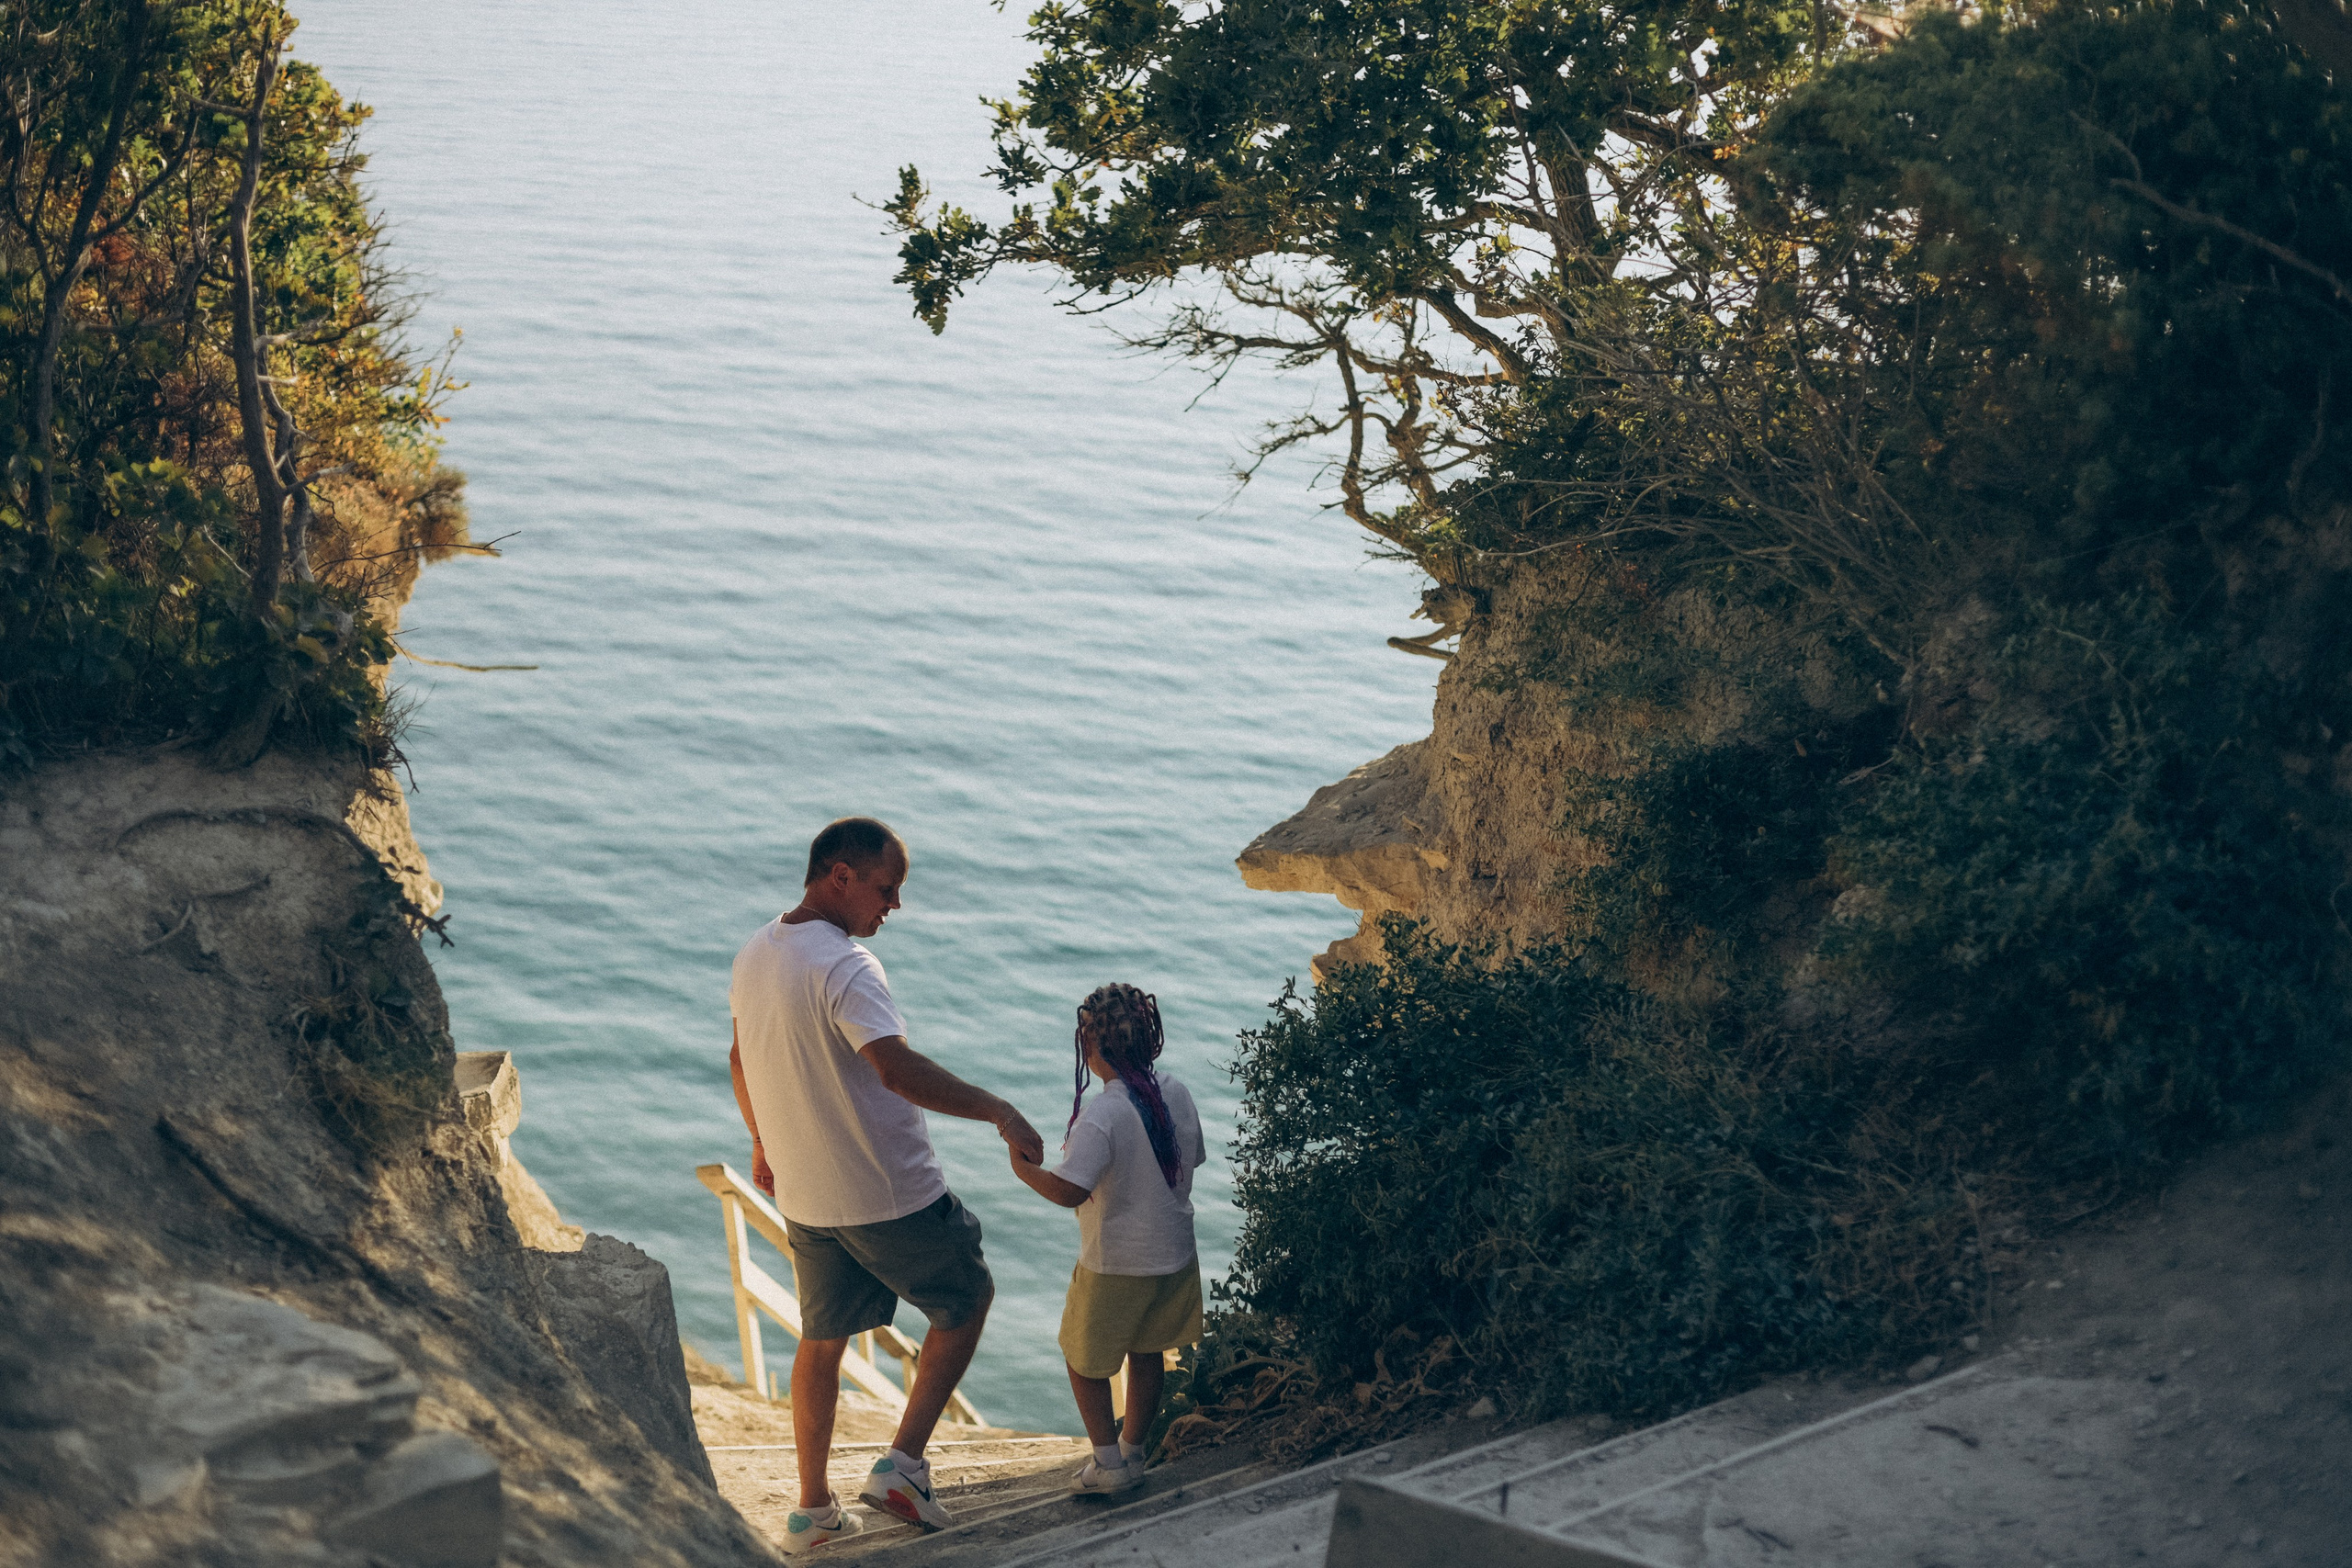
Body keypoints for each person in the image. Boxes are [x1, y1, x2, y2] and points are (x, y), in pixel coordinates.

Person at [729, 817, 1045, 1554]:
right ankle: (902, 1468)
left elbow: (741, 1059)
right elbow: (896, 1069)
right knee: (967, 1296)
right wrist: (999, 1109)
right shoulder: (846, 965)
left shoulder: (754, 951)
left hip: (806, 1194)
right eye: (886, 887)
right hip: (885, 1191)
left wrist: (763, 1139)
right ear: (840, 875)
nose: (893, 905)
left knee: (823, 1337)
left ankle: (812, 1510)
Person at [1008, 982, 1207, 1496]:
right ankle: (1135, 1451)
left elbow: (1070, 1191)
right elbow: (1191, 1161)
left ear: (1091, 1047)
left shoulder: (1104, 1114)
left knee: (1083, 1361)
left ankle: (1107, 1464)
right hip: (1175, 1257)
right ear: (1149, 1038)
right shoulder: (1176, 1091)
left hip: (1114, 1264)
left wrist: (1023, 1169)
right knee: (1149, 1354)